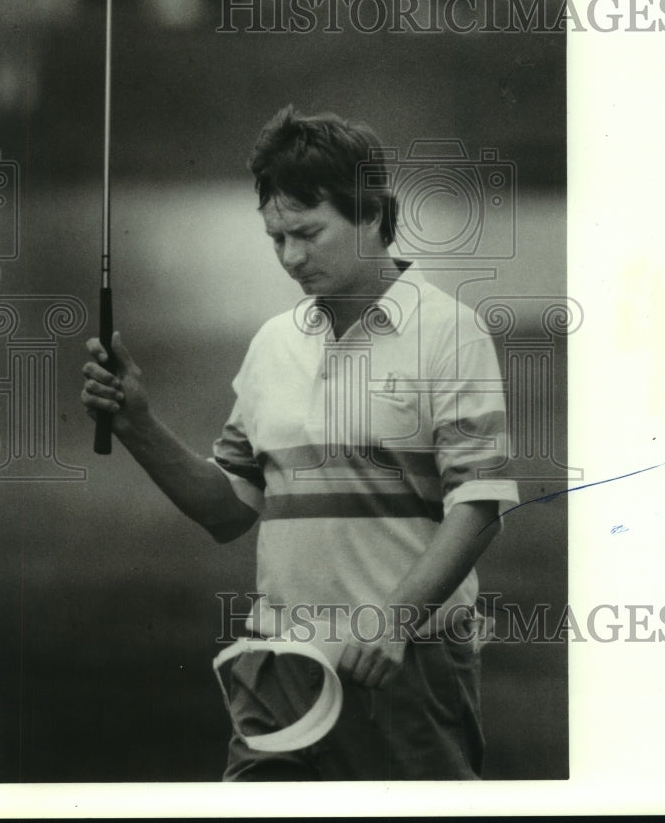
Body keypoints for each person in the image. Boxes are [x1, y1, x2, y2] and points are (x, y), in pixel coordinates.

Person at [81, 106, 518, 781]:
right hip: (277, 665)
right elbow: (228, 509)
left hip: (408, 666)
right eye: (276, 238)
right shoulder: (272, 345)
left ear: (372, 214)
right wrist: (137, 423)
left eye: (308, 234)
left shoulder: (450, 332)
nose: (290, 258)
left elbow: (478, 506)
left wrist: (394, 622)